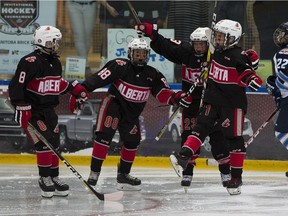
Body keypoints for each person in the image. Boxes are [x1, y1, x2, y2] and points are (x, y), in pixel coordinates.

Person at [135, 22, 259, 189]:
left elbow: (243, 67)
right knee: (195, 130)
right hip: (203, 101)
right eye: (196, 44)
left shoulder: (222, 53)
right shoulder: (193, 52)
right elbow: (168, 47)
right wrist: (153, 35)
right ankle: (185, 164)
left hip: (226, 103)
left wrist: (252, 70)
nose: (199, 47)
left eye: (203, 44)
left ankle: (229, 174)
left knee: (223, 139)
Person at [71, 37, 192, 191]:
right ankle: (94, 173)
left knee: (132, 141)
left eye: (143, 54)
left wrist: (176, 97)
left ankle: (123, 175)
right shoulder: (119, 66)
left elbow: (163, 93)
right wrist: (82, 90)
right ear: (130, 54)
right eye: (136, 54)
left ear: (147, 55)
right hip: (113, 106)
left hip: (132, 115)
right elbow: (98, 79)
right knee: (104, 137)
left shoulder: (153, 74)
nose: (140, 57)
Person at [167, 19, 263, 195]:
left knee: (234, 139)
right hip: (212, 100)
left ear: (232, 38)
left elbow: (246, 70)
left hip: (232, 106)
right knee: (200, 127)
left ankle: (236, 177)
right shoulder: (214, 51)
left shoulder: (236, 55)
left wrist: (252, 78)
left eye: (220, 37)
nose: (216, 40)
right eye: (216, 37)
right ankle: (184, 157)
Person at [8, 25, 89, 198]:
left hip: (48, 111)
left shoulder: (55, 62)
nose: (57, 45)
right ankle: (44, 178)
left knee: (55, 143)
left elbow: (56, 84)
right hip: (32, 111)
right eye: (54, 42)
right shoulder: (29, 62)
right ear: (44, 42)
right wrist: (21, 106)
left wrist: (72, 88)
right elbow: (16, 87)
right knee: (44, 143)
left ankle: (54, 177)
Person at [266, 22, 288, 177]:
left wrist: (275, 88)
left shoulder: (281, 54)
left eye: (283, 34)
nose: (279, 37)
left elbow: (285, 78)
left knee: (281, 132)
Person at [66, 0, 97, 78]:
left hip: (90, 4)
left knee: (87, 35)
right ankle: (85, 65)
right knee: (79, 35)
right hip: (73, 4)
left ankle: (82, 62)